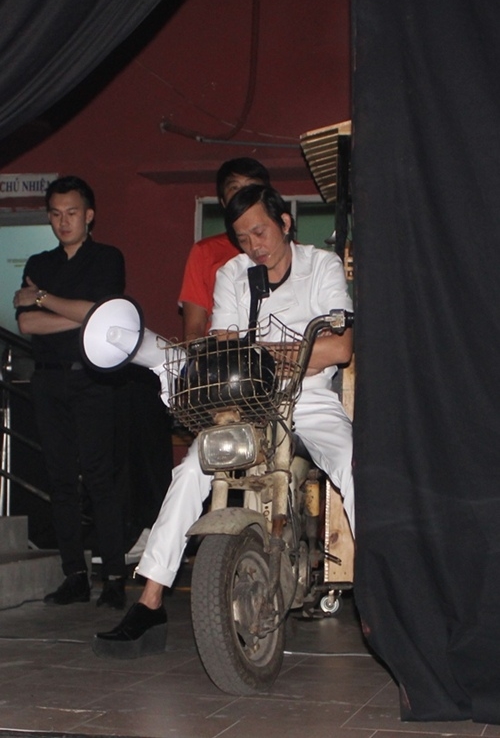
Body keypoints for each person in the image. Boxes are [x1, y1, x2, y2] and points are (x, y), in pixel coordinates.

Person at [92, 184, 354, 657]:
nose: (254, 245)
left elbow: (339, 348)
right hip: (249, 399)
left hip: (309, 398)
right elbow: (226, 349)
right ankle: (150, 602)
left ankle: (385, 583)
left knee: (352, 462)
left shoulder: (322, 265)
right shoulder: (233, 274)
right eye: (243, 237)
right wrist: (290, 352)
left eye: (261, 231)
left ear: (285, 223)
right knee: (191, 470)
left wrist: (265, 352)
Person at [13, 175, 128, 609]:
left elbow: (102, 312)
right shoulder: (39, 261)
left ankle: (114, 576)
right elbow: (27, 323)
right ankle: (74, 575)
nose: (64, 222)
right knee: (60, 479)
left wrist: (42, 298)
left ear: (89, 215)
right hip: (48, 379)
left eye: (72, 213)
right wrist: (80, 314)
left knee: (99, 477)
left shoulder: (106, 258)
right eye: (56, 214)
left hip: (91, 379)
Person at [178, 157, 271, 340]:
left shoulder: (291, 252)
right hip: (221, 352)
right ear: (223, 201)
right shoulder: (205, 251)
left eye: (251, 187)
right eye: (235, 188)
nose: (243, 195)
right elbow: (194, 327)